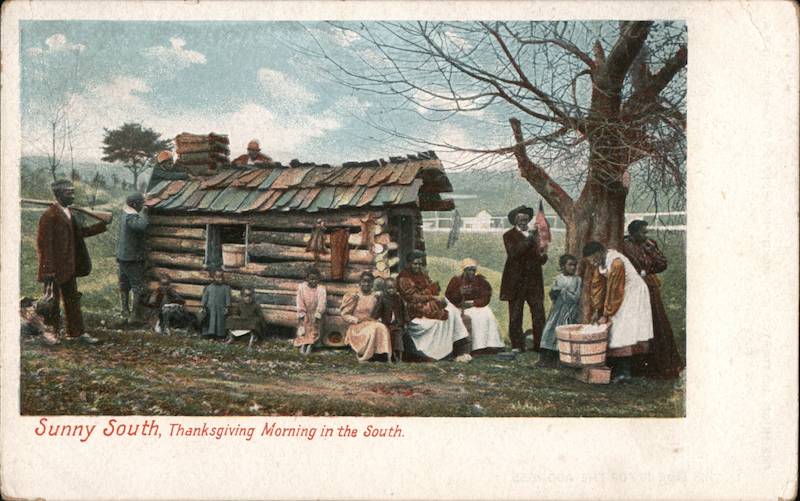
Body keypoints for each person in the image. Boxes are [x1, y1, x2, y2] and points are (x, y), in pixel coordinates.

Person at [36, 179, 108, 344]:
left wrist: (101, 226)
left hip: (69, 266)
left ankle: (76, 333)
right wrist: (48, 270)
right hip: (54, 268)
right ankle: (50, 334)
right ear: (59, 194)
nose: (73, 195)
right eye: (69, 193)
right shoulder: (49, 216)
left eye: (73, 192)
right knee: (51, 303)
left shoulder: (69, 213)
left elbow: (80, 233)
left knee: (72, 300)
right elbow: (43, 245)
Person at [584, 241, 654, 383]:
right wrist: (597, 309)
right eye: (590, 260)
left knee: (624, 330)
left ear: (599, 252)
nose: (592, 262)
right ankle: (619, 369)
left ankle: (626, 372)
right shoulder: (600, 264)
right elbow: (597, 287)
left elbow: (615, 290)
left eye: (593, 258)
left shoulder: (616, 262)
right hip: (622, 293)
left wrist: (606, 313)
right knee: (619, 329)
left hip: (633, 293)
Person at [622, 220, 684, 379]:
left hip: (650, 287)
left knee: (656, 323)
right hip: (633, 289)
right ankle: (637, 366)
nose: (645, 235)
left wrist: (651, 253)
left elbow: (662, 264)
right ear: (633, 232)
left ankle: (658, 366)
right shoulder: (624, 245)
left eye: (646, 232)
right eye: (642, 232)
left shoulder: (649, 244)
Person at [397, 250, 471, 362]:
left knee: (452, 311)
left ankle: (458, 347)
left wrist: (433, 291)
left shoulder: (422, 275)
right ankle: (436, 352)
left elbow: (432, 288)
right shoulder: (404, 278)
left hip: (426, 304)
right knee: (443, 315)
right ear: (409, 263)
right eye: (415, 263)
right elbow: (413, 297)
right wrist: (430, 295)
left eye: (420, 264)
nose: (418, 266)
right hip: (413, 308)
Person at [500, 205, 548, 352]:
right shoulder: (508, 235)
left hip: (534, 282)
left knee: (539, 313)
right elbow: (514, 253)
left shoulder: (535, 236)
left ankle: (539, 345)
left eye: (526, 219)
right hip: (515, 282)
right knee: (515, 315)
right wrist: (530, 240)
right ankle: (517, 345)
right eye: (521, 219)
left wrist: (543, 256)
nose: (524, 222)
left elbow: (537, 259)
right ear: (515, 220)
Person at [445, 258, 504, 355]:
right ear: (464, 271)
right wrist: (460, 293)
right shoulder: (456, 280)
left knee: (487, 314)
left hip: (476, 305)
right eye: (469, 270)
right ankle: (475, 346)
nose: (472, 272)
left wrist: (474, 303)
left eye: (473, 270)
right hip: (460, 307)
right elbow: (449, 297)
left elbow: (486, 297)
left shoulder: (480, 280)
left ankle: (489, 345)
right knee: (473, 318)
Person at [538, 254, 582, 368]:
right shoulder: (558, 278)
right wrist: (554, 293)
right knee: (549, 332)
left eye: (574, 265)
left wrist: (563, 292)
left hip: (570, 311)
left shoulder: (577, 280)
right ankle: (544, 359)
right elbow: (553, 294)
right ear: (563, 266)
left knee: (564, 334)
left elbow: (576, 297)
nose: (573, 267)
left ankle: (561, 361)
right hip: (557, 311)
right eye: (570, 265)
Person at [341, 272, 393, 362]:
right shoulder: (354, 296)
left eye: (369, 282)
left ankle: (384, 355)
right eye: (364, 281)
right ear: (360, 283)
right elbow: (345, 314)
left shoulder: (375, 297)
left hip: (371, 323)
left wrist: (377, 319)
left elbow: (378, 313)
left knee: (382, 327)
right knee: (374, 328)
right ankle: (367, 355)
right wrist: (357, 320)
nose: (366, 284)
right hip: (357, 327)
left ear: (372, 283)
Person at [116, 193, 149, 324]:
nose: (142, 206)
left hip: (123, 257)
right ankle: (134, 316)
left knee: (124, 285)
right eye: (141, 203)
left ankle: (125, 312)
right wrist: (145, 213)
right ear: (135, 204)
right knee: (137, 286)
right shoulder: (131, 217)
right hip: (132, 258)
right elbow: (141, 225)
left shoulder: (125, 214)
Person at [374, 277, 409, 363]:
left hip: (397, 324)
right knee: (388, 340)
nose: (391, 290)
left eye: (393, 288)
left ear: (396, 288)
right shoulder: (383, 298)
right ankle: (389, 357)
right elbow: (377, 310)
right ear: (385, 289)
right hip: (387, 324)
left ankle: (400, 358)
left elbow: (404, 310)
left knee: (398, 340)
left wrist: (406, 322)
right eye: (389, 288)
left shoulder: (399, 298)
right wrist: (375, 318)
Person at [294, 267, 327, 355]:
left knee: (314, 329)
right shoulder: (302, 288)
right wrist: (302, 313)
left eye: (315, 279)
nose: (313, 281)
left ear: (318, 279)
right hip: (305, 313)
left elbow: (322, 302)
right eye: (311, 279)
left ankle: (310, 345)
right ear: (307, 278)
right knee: (303, 329)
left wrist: (318, 313)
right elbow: (299, 301)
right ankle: (303, 345)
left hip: (315, 313)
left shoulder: (321, 289)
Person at [200, 270, 231, 339]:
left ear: (223, 278)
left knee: (220, 322)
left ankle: (220, 335)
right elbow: (205, 297)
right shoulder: (209, 287)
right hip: (210, 308)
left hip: (221, 308)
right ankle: (210, 334)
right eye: (217, 277)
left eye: (220, 277)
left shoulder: (226, 288)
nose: (219, 279)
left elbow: (228, 298)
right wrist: (203, 307)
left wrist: (227, 307)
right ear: (214, 277)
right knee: (211, 321)